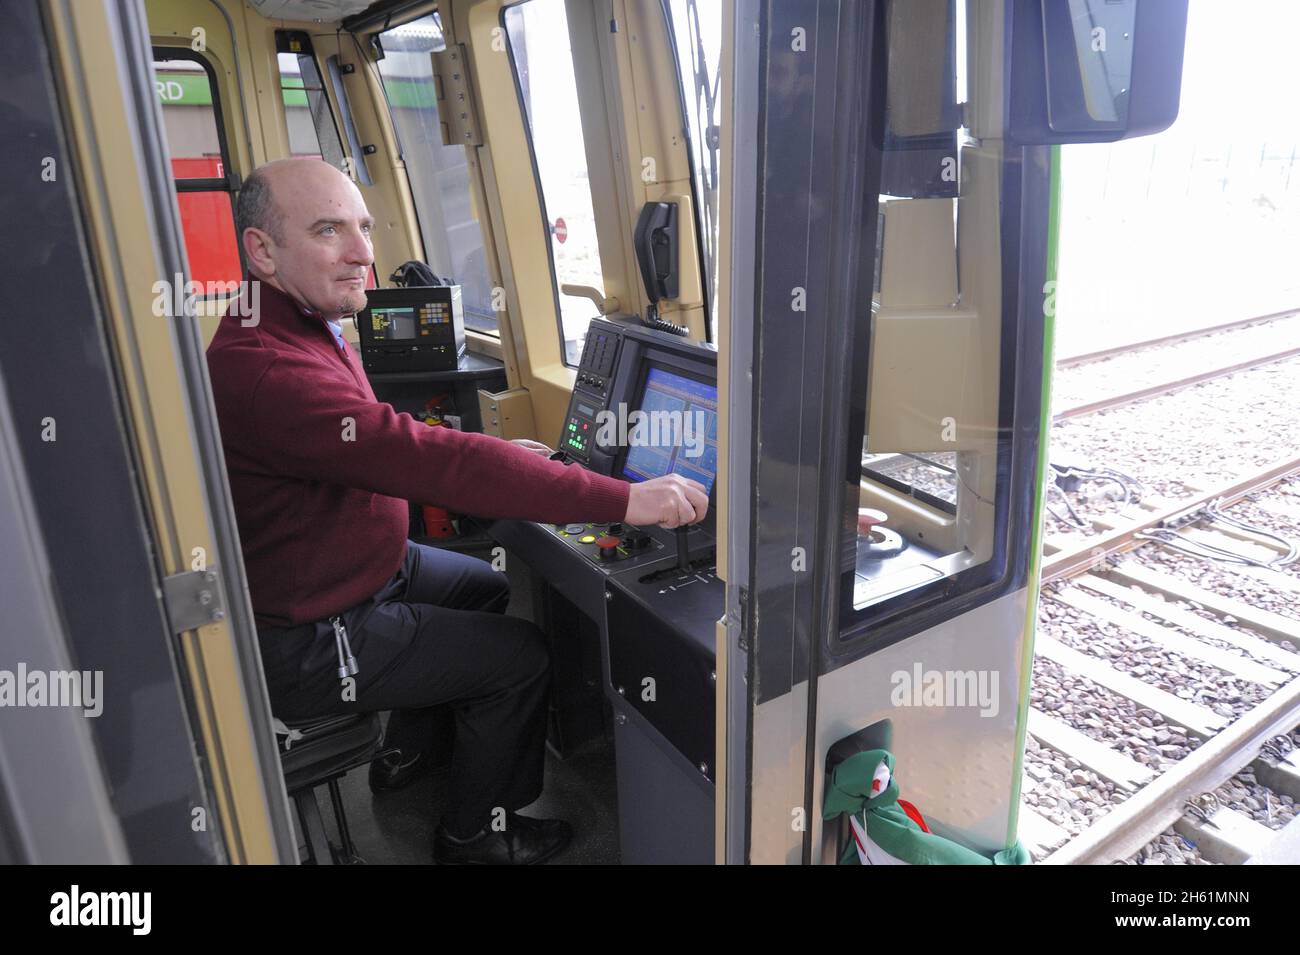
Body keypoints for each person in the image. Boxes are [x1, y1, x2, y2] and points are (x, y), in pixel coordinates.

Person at [206, 159, 707, 864]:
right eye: (328, 230)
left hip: (358, 570)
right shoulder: (267, 369)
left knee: (486, 585)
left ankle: (411, 750)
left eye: (362, 227)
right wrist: (628, 498)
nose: (361, 253)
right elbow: (426, 460)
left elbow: (392, 442)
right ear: (262, 250)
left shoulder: (302, 319)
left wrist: (511, 457)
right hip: (311, 631)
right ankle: (477, 834)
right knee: (520, 659)